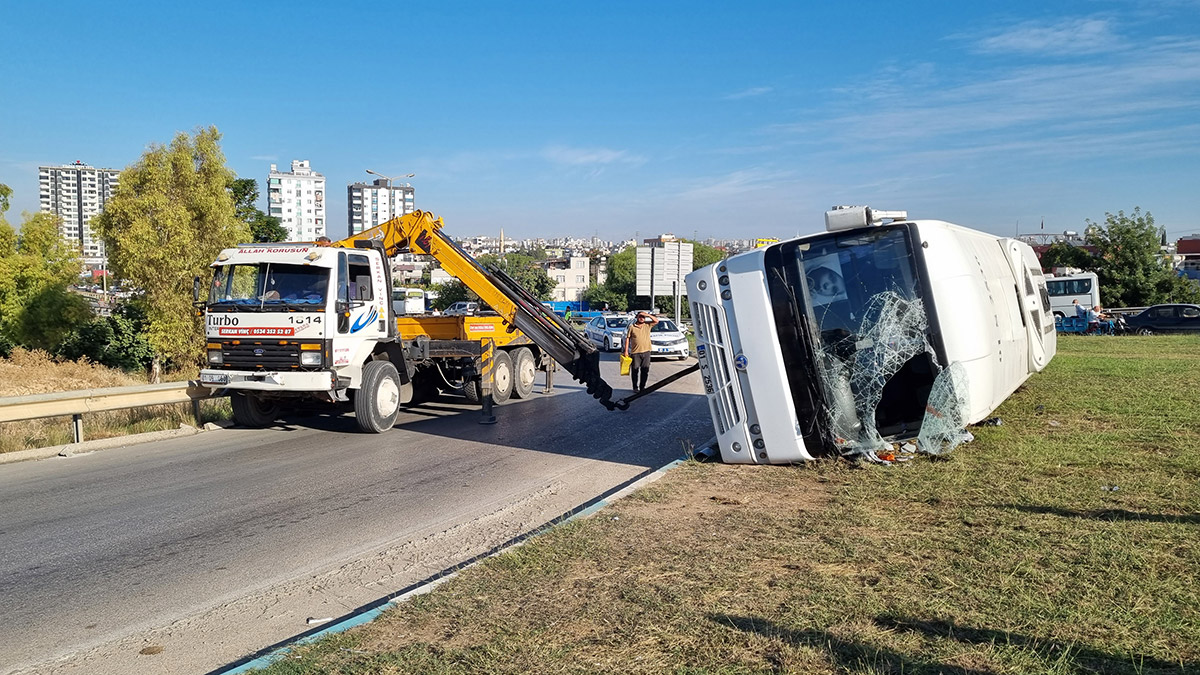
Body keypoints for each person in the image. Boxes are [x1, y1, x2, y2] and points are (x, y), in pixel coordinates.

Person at [623, 311, 659, 392]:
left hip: (646, 352)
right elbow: (628, 338)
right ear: (637, 317)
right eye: (640, 316)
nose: (642, 318)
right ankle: (635, 387)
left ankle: (642, 387)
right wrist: (626, 351)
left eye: (643, 317)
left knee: (645, 370)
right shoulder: (632, 327)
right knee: (635, 370)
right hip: (635, 352)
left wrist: (648, 315)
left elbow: (656, 321)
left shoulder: (647, 325)